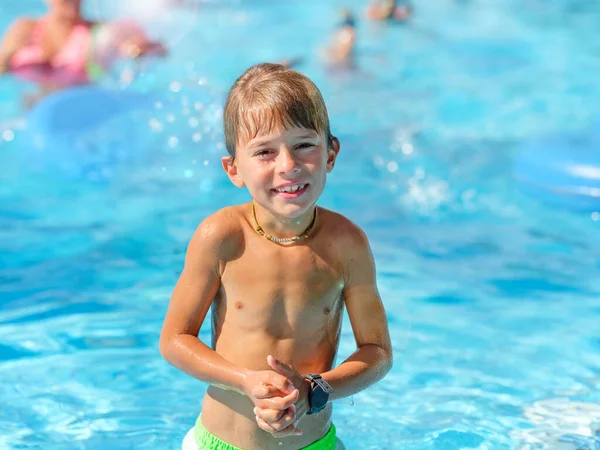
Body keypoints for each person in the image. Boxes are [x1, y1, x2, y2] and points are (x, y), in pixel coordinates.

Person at [160, 62, 393, 450]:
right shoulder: (222, 237)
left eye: (304, 145)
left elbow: (378, 353)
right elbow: (175, 339)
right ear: (234, 169)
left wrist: (314, 390)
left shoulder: (347, 244)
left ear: (331, 153)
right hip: (221, 441)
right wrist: (245, 381)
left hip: (313, 443)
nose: (288, 166)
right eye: (265, 152)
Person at [0, 0, 165, 89]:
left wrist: (138, 49)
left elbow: (130, 46)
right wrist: (8, 57)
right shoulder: (25, 29)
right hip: (37, 107)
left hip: (83, 107)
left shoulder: (98, 33)